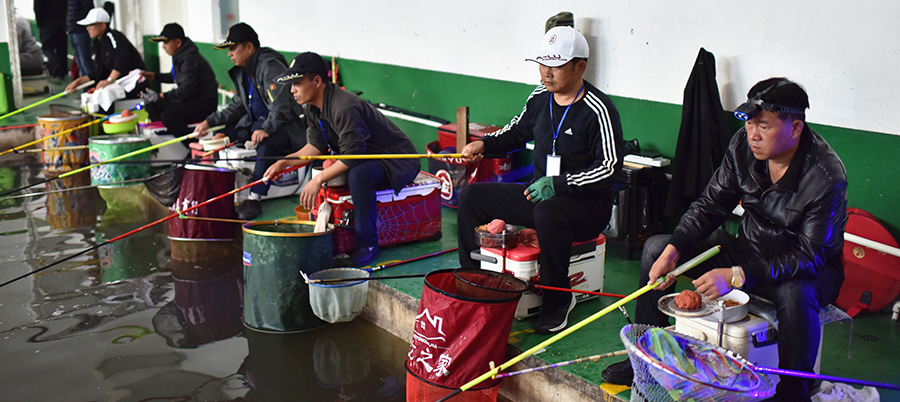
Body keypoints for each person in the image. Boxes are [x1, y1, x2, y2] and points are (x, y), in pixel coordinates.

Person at [601, 78, 847, 402]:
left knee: (794, 294)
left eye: (764, 126)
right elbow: (710, 204)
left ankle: (793, 392)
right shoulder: (743, 146)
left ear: (796, 127)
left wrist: (736, 275)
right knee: (656, 248)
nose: (752, 134)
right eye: (749, 123)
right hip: (748, 251)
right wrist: (675, 248)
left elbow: (809, 256)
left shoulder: (826, 176)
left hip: (806, 271)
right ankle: (649, 360)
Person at [456, 26, 624, 335]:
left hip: (586, 207)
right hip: (539, 196)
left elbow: (609, 168)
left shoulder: (599, 109)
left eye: (556, 65)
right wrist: (484, 144)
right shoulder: (539, 98)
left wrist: (559, 184)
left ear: (580, 67)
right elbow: (515, 133)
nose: (546, 72)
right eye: (542, 64)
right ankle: (474, 281)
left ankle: (558, 299)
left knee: (549, 211)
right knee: (470, 197)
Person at [264, 52, 420, 266]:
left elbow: (352, 157)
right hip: (365, 157)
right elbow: (315, 147)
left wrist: (318, 180)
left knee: (359, 175)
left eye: (297, 83)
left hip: (398, 161)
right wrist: (284, 163)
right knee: (346, 171)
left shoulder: (344, 106)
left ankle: (368, 245)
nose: (292, 90)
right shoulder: (311, 107)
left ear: (316, 81)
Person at [192, 23, 305, 220]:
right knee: (222, 134)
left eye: (233, 48)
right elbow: (237, 106)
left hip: (284, 127)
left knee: (266, 144)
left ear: (249, 47)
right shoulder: (243, 71)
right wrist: (209, 122)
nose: (229, 54)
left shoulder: (270, 66)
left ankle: (255, 198)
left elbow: (281, 107)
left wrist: (266, 129)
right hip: (255, 124)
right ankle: (221, 187)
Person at [140, 23, 218, 137]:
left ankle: (191, 142)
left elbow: (185, 90)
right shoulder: (180, 55)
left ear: (178, 42)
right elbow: (176, 77)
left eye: (166, 42)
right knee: (152, 104)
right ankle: (168, 132)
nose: (163, 46)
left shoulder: (189, 59)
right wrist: (153, 76)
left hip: (203, 104)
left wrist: (162, 96)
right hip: (191, 100)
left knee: (168, 116)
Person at [64, 8, 147, 100]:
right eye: (87, 25)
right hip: (118, 84)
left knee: (104, 93)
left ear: (103, 25)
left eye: (91, 24)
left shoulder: (114, 36)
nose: (88, 28)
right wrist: (79, 82)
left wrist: (109, 80)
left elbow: (122, 58)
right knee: (90, 95)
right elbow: (99, 72)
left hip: (133, 82)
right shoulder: (98, 45)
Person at [34, 0, 68, 80]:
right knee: (61, 47)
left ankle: (55, 65)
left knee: (47, 47)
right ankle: (63, 71)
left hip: (47, 23)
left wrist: (40, 23)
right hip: (61, 21)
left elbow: (38, 8)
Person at [68, 0, 95, 79]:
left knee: (85, 60)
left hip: (81, 30)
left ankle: (91, 81)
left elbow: (88, 9)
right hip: (73, 29)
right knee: (79, 61)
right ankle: (85, 81)